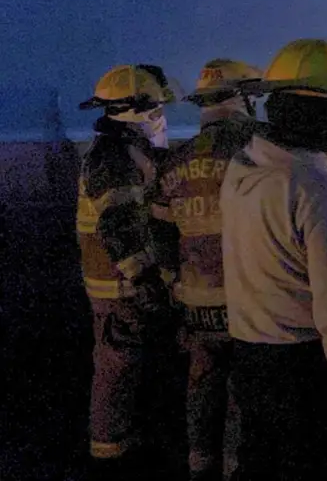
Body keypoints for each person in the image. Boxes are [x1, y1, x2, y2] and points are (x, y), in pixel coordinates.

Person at [220, 39, 327, 478]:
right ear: (325, 112)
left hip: (249, 360)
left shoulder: (243, 170)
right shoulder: (316, 193)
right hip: (305, 373)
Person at [153, 58, 262, 481]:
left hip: (195, 304)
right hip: (246, 301)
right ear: (244, 100)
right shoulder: (254, 152)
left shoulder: (175, 160)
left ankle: (199, 466)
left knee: (201, 388)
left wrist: (174, 287)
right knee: (243, 395)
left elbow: (161, 236)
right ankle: (238, 470)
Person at [76, 64, 181, 476]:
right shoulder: (113, 157)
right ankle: (108, 453)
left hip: (120, 286)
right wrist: (146, 278)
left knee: (128, 367)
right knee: (116, 369)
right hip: (118, 288)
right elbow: (118, 224)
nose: (161, 117)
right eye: (156, 108)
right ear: (137, 109)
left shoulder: (122, 151)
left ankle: (122, 442)